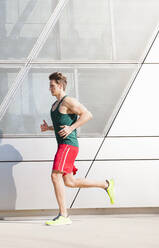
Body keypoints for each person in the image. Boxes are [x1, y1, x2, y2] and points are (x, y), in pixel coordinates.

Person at [40, 72, 115, 226]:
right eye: (50, 86)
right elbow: (62, 123)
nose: (50, 89)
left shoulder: (68, 101)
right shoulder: (55, 105)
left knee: (55, 176)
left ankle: (64, 215)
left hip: (69, 145)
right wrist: (48, 128)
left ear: (60, 85)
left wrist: (71, 128)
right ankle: (106, 184)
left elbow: (87, 114)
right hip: (63, 145)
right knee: (70, 182)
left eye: (52, 86)